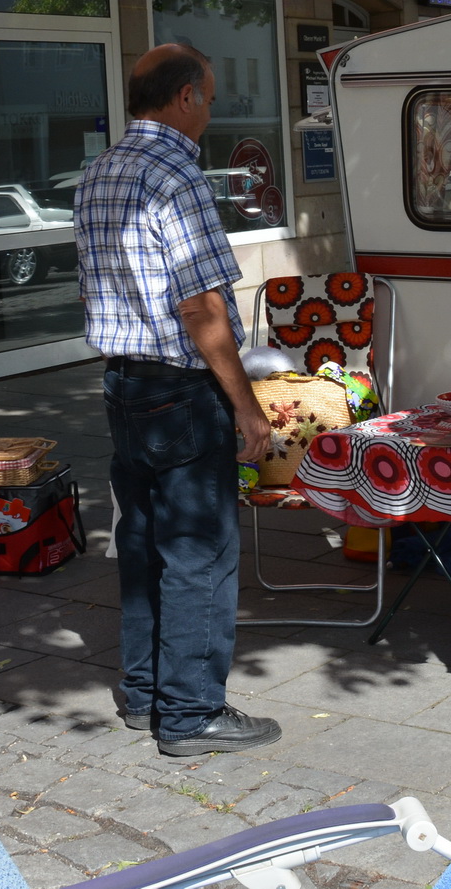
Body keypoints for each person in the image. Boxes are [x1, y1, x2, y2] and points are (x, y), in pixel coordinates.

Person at [74, 42, 280, 757]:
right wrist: (248, 406)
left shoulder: (99, 171)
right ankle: (190, 712)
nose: (212, 110)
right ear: (186, 96)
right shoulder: (175, 174)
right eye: (212, 96)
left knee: (140, 538)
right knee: (197, 547)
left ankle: (144, 691)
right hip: (179, 387)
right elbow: (201, 308)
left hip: (122, 380)